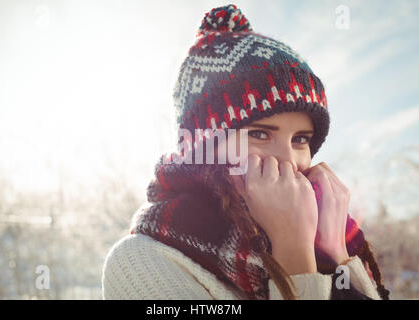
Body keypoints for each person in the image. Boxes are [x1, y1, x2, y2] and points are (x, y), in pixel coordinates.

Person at [102, 4, 390, 300]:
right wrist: (293, 250)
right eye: (260, 134)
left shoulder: (326, 239)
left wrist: (336, 253)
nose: (289, 160)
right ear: (206, 148)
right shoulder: (143, 261)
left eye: (301, 139)